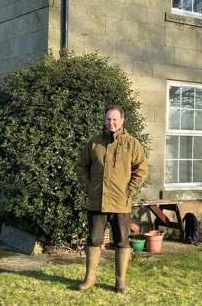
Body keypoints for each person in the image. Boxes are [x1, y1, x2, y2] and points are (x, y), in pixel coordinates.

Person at [75, 105, 148, 294]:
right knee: (93, 240)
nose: (111, 123)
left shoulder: (132, 144)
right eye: (108, 119)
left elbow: (141, 170)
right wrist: (88, 188)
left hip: (120, 203)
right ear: (105, 120)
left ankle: (120, 281)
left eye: (115, 119)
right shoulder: (94, 143)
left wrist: (129, 191)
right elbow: (81, 166)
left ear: (122, 121)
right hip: (97, 201)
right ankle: (89, 278)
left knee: (123, 241)